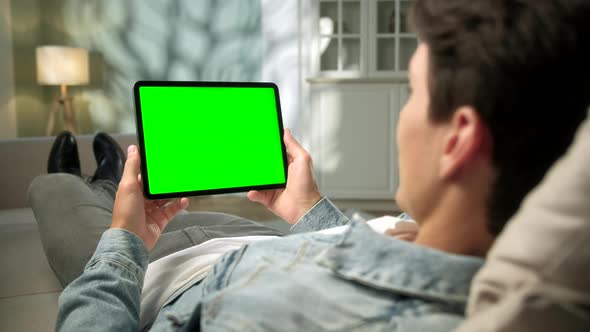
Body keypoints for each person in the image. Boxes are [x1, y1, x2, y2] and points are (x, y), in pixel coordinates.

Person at [28, 0, 590, 330]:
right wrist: (307, 209)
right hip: (266, 239)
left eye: (413, 90)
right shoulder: (460, 252)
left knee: (61, 201)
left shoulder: (270, 314)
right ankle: (102, 172)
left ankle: (77, 173)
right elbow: (372, 259)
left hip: (166, 271)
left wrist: (126, 237)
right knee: (144, 190)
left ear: (459, 138)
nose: (404, 115)